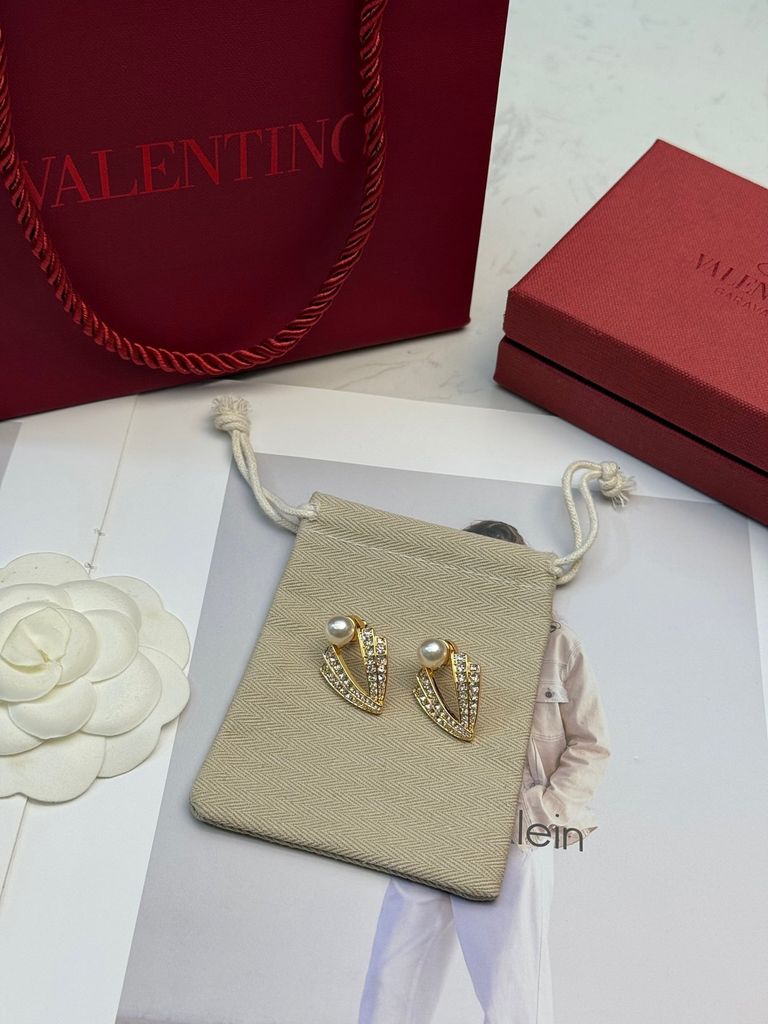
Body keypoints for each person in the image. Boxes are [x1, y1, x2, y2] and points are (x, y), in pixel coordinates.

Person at [357, 520, 611, 1024]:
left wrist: (541, 811)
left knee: (512, 990)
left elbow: (591, 743)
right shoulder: (425, 643)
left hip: (510, 833)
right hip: (430, 823)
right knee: (392, 979)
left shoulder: (558, 646)